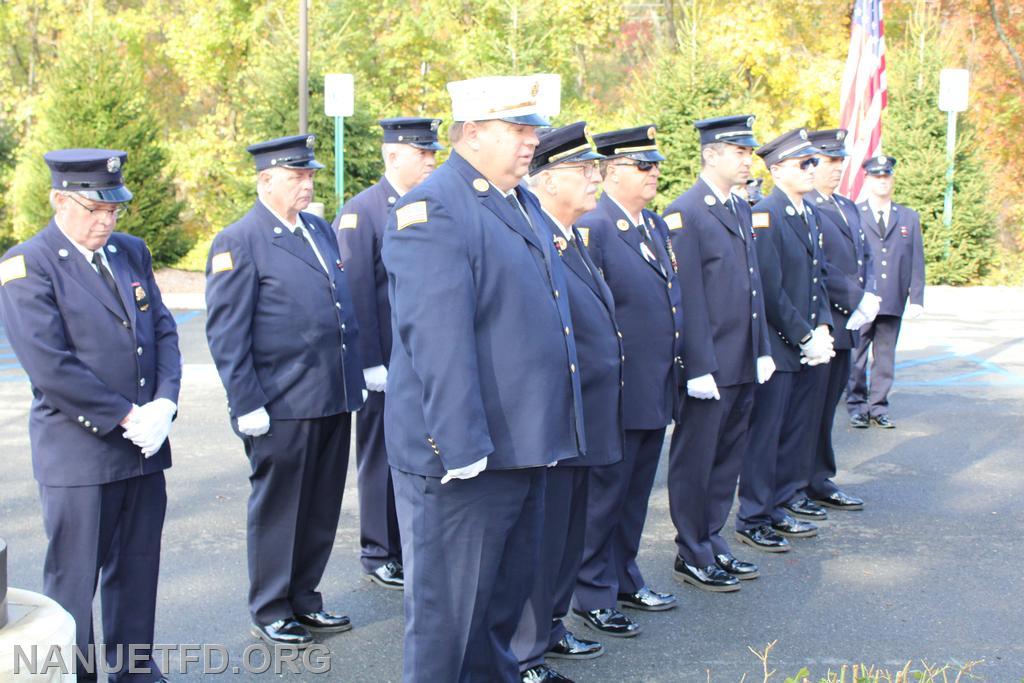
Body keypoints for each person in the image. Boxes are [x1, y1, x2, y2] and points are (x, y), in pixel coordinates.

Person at [381, 75, 585, 683]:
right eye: (518, 129)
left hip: (520, 444)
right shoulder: (435, 205)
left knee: (497, 609)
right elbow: (437, 337)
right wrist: (460, 445)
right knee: (449, 622)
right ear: (471, 134)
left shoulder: (515, 199)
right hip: (466, 455)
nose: (531, 142)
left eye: (533, 130)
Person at [0, 149, 180, 682]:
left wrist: (165, 404)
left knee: (137, 570)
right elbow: (50, 366)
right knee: (75, 583)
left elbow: (164, 331)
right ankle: (73, 677)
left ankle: (132, 672)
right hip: (81, 454)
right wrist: (128, 416)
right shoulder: (27, 265)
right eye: (93, 209)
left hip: (145, 448)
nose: (105, 221)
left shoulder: (130, 251)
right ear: (59, 200)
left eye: (113, 210)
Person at [205, 134, 365, 647]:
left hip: (331, 395)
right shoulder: (240, 240)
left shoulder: (317, 228)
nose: (307, 183)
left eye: (310, 175)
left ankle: (305, 598)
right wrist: (246, 402)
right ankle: (272, 606)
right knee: (280, 509)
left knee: (320, 505)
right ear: (266, 180)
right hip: (281, 403)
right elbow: (227, 332)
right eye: (297, 176)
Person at [513, 122, 624, 683]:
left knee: (565, 535)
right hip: (555, 418)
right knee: (541, 539)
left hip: (585, 418)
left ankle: (551, 627)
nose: (594, 180)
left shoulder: (571, 236)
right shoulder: (535, 236)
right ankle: (525, 652)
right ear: (549, 179)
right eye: (584, 172)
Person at [572, 125, 681, 638]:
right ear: (612, 171)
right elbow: (588, 314)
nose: (654, 172)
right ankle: (591, 589)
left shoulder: (651, 225)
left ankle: (624, 576)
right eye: (644, 165)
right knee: (604, 496)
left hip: (652, 385)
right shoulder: (595, 227)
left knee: (635, 492)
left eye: (655, 165)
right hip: (615, 390)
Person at [662, 115, 772, 592]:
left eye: (749, 152)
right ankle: (691, 548)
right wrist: (696, 364)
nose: (747, 159)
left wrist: (762, 347)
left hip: (742, 357)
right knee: (697, 460)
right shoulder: (687, 212)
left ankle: (712, 537)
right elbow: (686, 296)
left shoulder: (739, 207)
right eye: (738, 151)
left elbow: (752, 288)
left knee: (727, 457)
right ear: (711, 154)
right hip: (710, 364)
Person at [334, 117, 443, 590]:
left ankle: (405, 540)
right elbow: (356, 291)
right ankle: (379, 550)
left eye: (433, 152)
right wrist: (369, 361)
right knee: (379, 455)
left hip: (419, 358)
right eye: (423, 153)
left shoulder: (425, 205)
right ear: (394, 155)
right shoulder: (364, 211)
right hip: (384, 364)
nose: (431, 160)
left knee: (414, 452)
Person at [737, 128, 834, 553]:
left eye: (814, 162)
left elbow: (818, 279)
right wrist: (804, 334)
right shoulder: (767, 213)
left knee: (794, 430)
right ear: (776, 170)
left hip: (806, 344)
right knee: (766, 435)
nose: (812, 170)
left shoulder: (807, 212)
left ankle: (781, 501)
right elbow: (770, 290)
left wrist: (825, 326)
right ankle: (754, 514)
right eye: (803, 163)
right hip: (780, 345)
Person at [802, 129, 877, 510]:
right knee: (808, 410)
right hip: (821, 322)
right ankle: (798, 482)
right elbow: (820, 266)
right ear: (810, 163)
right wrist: (856, 298)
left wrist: (867, 295)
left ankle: (819, 477)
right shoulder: (808, 206)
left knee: (827, 407)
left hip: (845, 324)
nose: (835, 169)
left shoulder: (847, 206)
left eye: (839, 162)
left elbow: (861, 258)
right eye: (829, 162)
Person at [848, 155, 926, 429]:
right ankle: (857, 406)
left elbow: (916, 259)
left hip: (892, 297)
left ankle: (878, 406)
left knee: (885, 358)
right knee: (856, 357)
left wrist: (916, 297)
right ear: (867, 180)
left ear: (892, 179)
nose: (882, 182)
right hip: (862, 299)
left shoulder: (907, 217)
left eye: (886, 177)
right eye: (877, 177)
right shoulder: (854, 213)